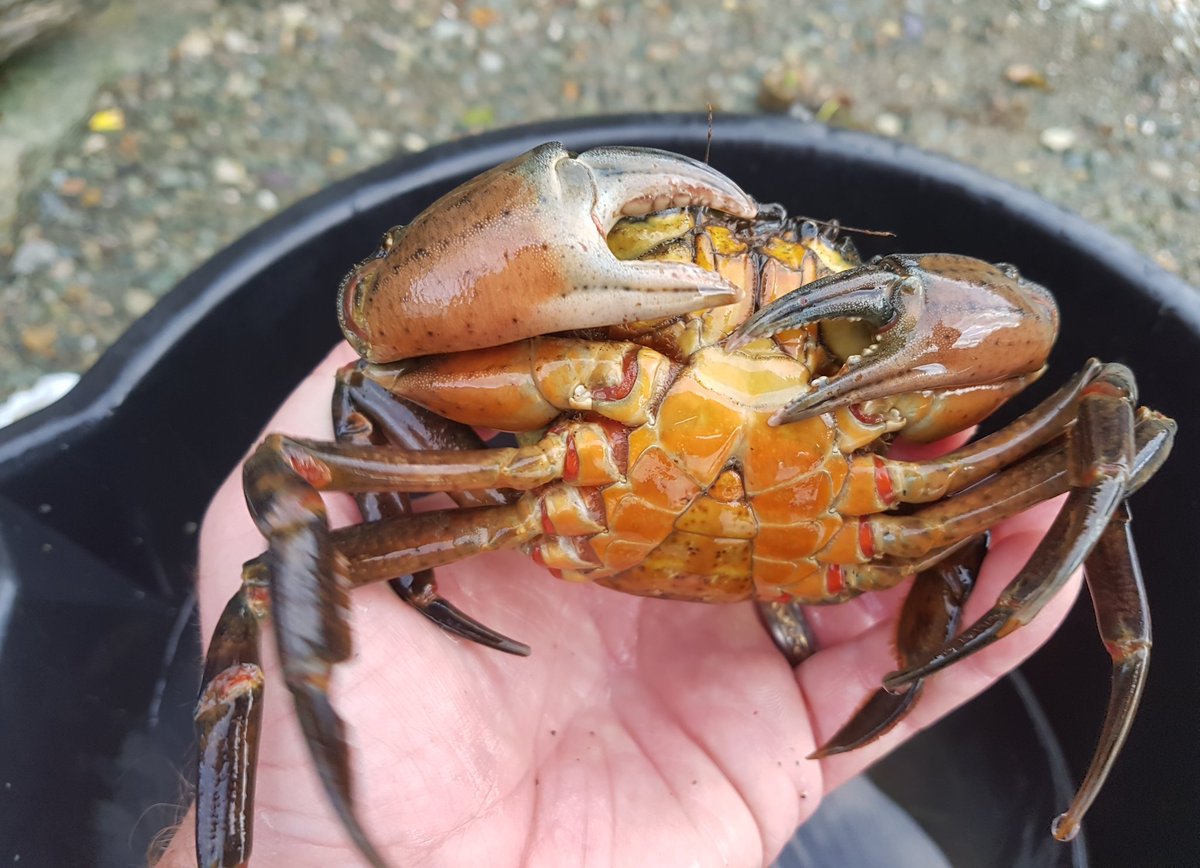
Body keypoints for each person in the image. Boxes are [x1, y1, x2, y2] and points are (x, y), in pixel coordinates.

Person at [157, 343, 1071, 867]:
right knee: (274, 580)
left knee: (1094, 436)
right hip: (566, 555)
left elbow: (1094, 430)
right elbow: (372, 378)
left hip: (790, 612)